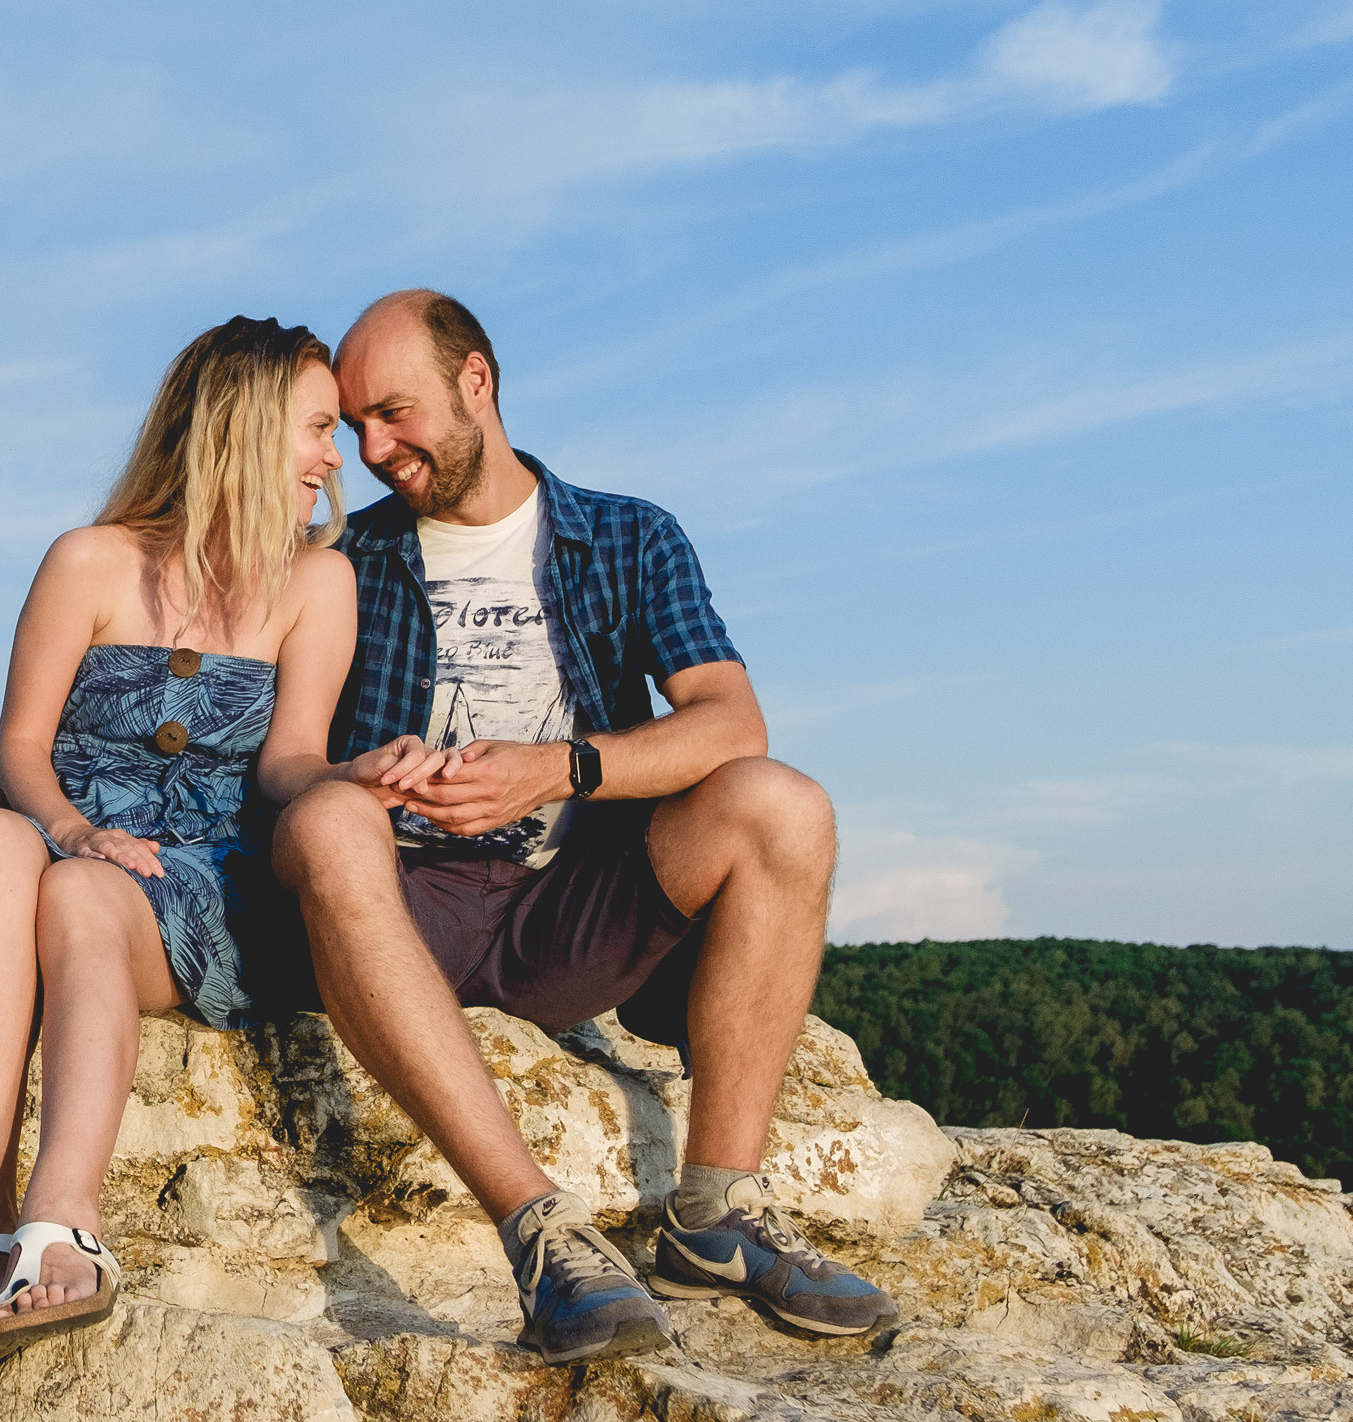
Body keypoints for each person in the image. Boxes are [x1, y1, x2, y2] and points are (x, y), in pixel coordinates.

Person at [268, 289, 899, 1365]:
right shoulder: (344, 561)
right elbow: (283, 769)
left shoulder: (628, 533)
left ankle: (715, 1212)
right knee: (326, 819)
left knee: (785, 804)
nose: (372, 447)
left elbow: (730, 721)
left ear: (478, 382)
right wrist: (363, 776)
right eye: (356, 422)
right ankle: (544, 1232)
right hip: (396, 905)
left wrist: (556, 770)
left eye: (395, 411)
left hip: (568, 907)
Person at [0, 315, 456, 1375]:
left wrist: (353, 774)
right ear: (239, 424)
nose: (331, 455)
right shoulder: (88, 560)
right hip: (68, 830)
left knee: (80, 897)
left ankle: (65, 1219)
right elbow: (22, 747)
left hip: (202, 877)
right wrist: (71, 825)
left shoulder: (317, 582)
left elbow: (287, 762)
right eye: (314, 426)